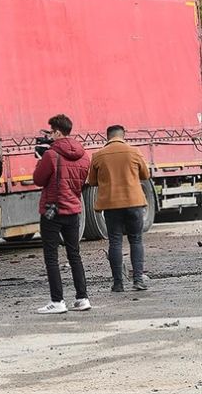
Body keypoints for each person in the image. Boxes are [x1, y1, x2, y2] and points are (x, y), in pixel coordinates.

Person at [32, 114, 91, 314]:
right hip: (73, 209)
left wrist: (40, 160)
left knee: (51, 257)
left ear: (57, 132)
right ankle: (82, 298)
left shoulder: (51, 155)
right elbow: (82, 181)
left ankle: (57, 301)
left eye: (51, 132)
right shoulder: (84, 155)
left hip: (53, 210)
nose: (50, 135)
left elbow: (38, 180)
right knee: (74, 255)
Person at [87, 125, 151, 292]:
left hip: (111, 205)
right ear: (123, 136)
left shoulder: (98, 155)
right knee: (136, 240)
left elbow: (92, 181)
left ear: (107, 137)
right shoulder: (134, 152)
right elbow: (145, 175)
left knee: (115, 242)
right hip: (134, 203)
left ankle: (118, 284)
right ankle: (138, 280)